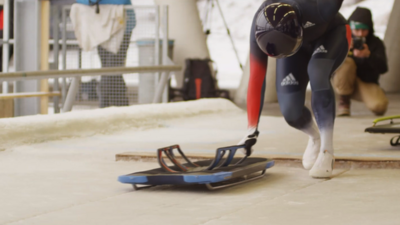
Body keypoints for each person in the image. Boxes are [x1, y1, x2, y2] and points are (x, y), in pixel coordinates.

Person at [239, 0, 350, 178]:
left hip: (331, 34)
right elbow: (256, 77)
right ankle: (315, 137)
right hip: (293, 47)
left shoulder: (321, 8)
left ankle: (327, 151)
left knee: (317, 71)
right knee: (291, 112)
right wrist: (251, 129)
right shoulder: (258, 27)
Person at [332, 7, 388, 116]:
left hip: (365, 82)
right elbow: (328, 62)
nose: (360, 34)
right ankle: (344, 101)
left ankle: (375, 92)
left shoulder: (376, 43)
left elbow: (384, 68)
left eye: (364, 30)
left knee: (379, 106)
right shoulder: (342, 40)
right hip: (341, 81)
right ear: (351, 28)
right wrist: (345, 50)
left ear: (370, 29)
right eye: (357, 30)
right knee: (347, 63)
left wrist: (368, 55)